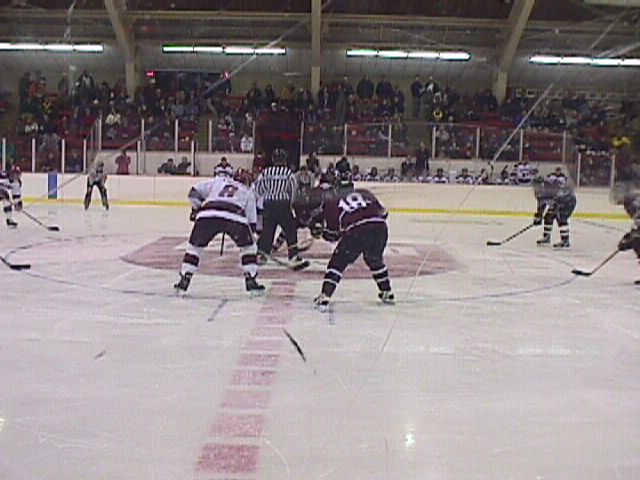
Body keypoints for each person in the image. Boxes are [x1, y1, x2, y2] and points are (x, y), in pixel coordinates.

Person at [174, 168, 265, 295]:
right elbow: (252, 223)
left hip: (207, 214)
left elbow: (193, 193)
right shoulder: (248, 191)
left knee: (194, 247)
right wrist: (250, 239)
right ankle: (251, 280)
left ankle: (185, 277)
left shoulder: (219, 181)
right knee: (248, 248)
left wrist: (197, 208)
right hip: (235, 217)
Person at [311, 181, 394, 310]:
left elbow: (333, 234)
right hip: (380, 228)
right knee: (374, 258)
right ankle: (387, 291)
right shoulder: (366, 193)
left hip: (357, 231)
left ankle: (325, 295)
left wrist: (322, 233)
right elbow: (384, 213)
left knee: (337, 262)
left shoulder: (333, 203)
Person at [254, 148, 309, 270]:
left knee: (268, 230)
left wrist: (266, 196)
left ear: (273, 160)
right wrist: (291, 203)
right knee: (290, 230)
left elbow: (258, 189)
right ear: (284, 160)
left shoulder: (266, 172)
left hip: (269, 204)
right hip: (283, 204)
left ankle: (262, 254)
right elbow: (293, 190)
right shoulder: (289, 173)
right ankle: (293, 255)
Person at [532, 176, 576, 248]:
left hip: (568, 201)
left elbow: (564, 193)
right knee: (548, 216)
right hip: (558, 202)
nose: (535, 188)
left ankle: (565, 240)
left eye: (536, 186)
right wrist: (538, 216)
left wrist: (558, 204)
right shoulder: (539, 193)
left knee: (561, 217)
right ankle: (546, 237)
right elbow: (541, 205)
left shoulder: (551, 186)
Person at [611, 182, 640, 284]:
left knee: (637, 243)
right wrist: (629, 236)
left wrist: (630, 237)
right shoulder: (630, 202)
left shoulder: (633, 203)